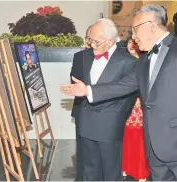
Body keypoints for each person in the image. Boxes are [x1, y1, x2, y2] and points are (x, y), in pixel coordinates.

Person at [62, 4, 177, 181]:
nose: (133, 37)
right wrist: (88, 90)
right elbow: (124, 85)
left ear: (151, 26)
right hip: (156, 150)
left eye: (135, 30)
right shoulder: (144, 61)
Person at [69, 18, 137, 181]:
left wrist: (117, 117)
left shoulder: (129, 61)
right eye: (90, 40)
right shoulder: (84, 56)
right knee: (88, 171)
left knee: (111, 172)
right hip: (86, 123)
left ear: (110, 41)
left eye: (96, 42)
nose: (92, 45)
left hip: (109, 126)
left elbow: (126, 93)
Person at [121, 32, 149, 182]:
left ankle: (140, 171)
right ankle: (126, 167)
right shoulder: (122, 61)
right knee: (126, 136)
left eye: (134, 42)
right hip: (126, 105)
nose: (131, 45)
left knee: (139, 138)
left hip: (142, 105)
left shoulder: (146, 61)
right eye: (129, 42)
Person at [70, 25, 92, 181]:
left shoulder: (113, 58)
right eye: (88, 38)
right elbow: (73, 81)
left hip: (103, 111)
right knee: (82, 150)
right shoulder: (79, 56)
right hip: (81, 109)